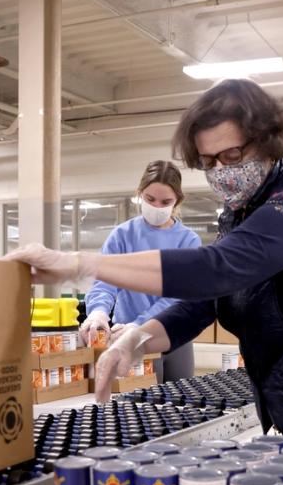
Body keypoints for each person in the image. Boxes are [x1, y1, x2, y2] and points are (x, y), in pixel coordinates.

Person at [7, 79, 283, 439]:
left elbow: (218, 269)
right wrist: (136, 339)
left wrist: (81, 264)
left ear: (268, 140)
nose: (220, 172)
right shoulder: (241, 211)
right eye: (209, 162)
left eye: (232, 155)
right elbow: (207, 302)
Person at [80, 160, 201, 382]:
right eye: (150, 199)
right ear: (139, 194)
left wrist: (141, 325)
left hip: (174, 336)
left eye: (166, 201)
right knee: (137, 408)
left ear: (178, 201)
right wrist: (98, 311)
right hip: (125, 336)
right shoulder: (122, 236)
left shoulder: (188, 241)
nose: (157, 207)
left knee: (181, 407)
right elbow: (105, 281)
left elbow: (177, 297)